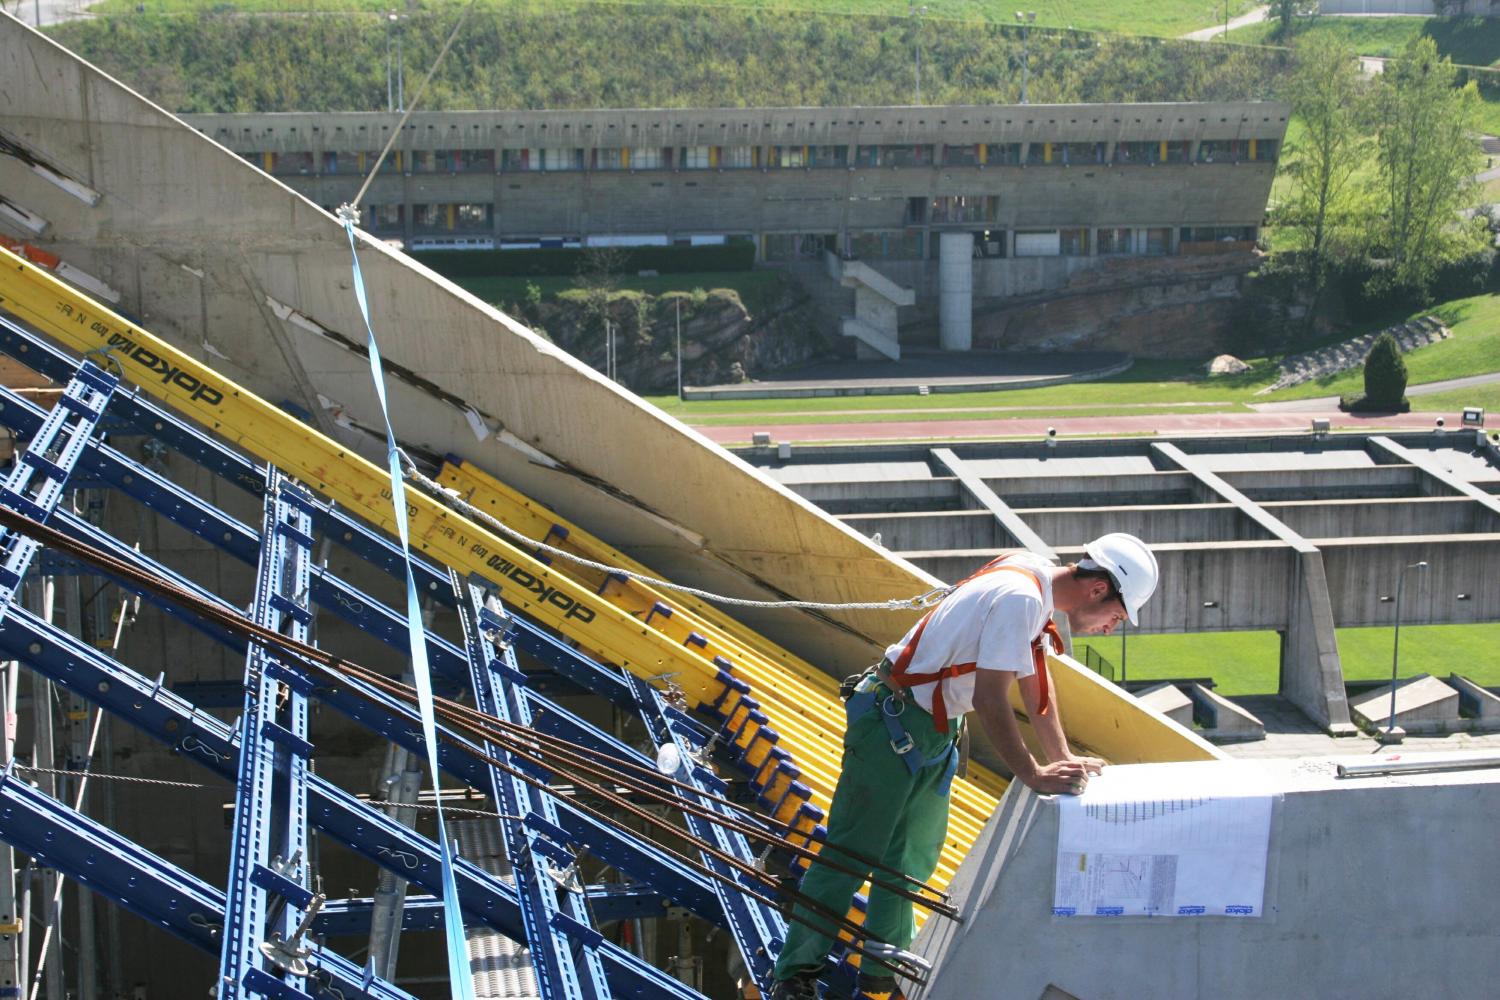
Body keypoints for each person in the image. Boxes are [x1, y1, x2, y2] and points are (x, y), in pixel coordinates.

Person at [770, 534, 1160, 1000]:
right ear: (1099, 591)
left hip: (929, 729)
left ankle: (882, 972)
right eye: (1117, 616)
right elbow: (990, 698)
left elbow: (1037, 686)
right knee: (852, 855)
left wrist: (1063, 757)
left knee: (909, 861)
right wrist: (1033, 773)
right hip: (894, 724)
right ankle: (795, 975)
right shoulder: (1021, 598)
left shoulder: (1031, 577)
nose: (1111, 627)